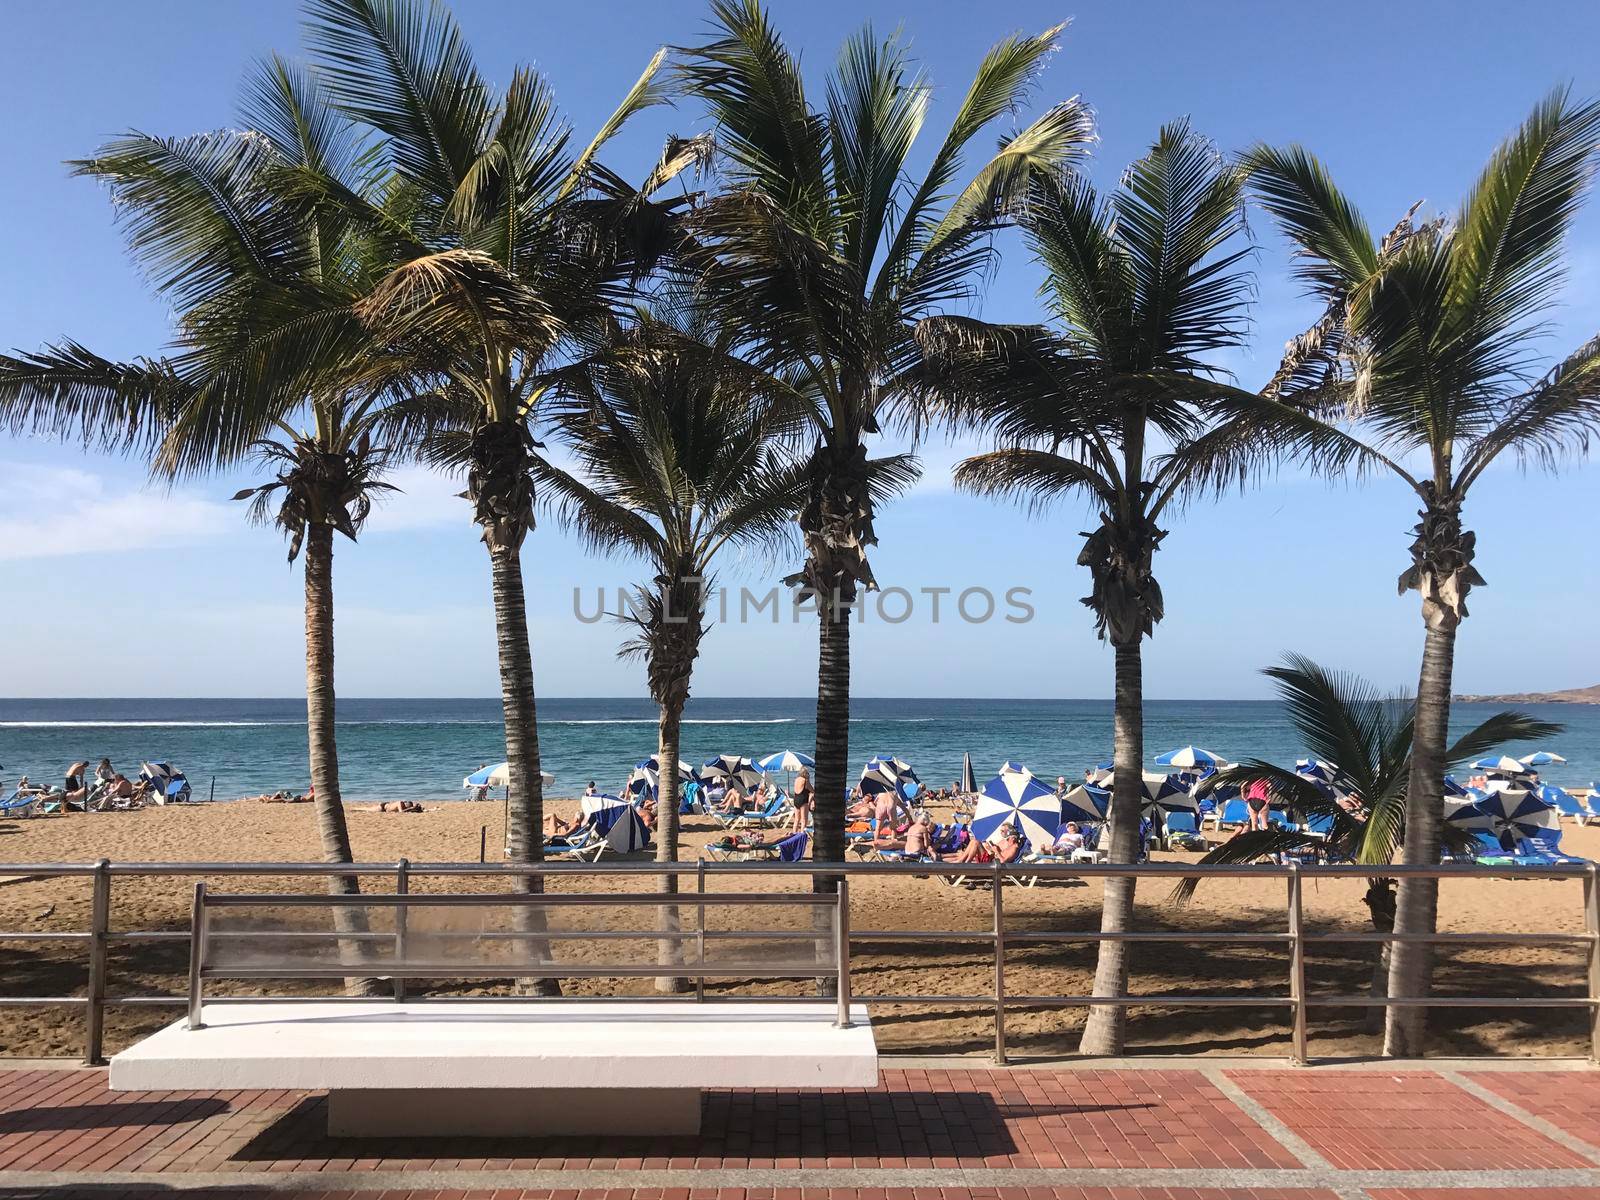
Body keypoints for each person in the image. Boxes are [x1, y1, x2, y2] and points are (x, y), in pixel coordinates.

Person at [790, 767, 813, 833]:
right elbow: (811, 790)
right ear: (805, 773)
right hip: (803, 800)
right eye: (807, 773)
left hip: (796, 799)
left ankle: (794, 833)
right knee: (804, 820)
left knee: (797, 819)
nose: (808, 774)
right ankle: (802, 835)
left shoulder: (796, 779)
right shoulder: (805, 780)